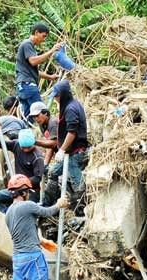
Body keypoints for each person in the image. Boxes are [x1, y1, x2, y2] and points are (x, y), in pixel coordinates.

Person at [0, 175, 69, 280]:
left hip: (18, 257)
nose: (29, 194)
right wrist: (59, 204)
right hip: (32, 256)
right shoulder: (27, 205)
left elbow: (26, 227)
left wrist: (40, 240)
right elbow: (47, 212)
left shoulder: (9, 212)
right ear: (23, 192)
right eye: (28, 192)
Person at [47, 80, 90, 213]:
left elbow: (72, 132)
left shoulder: (71, 108)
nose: (55, 98)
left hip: (75, 152)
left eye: (57, 96)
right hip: (69, 152)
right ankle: (52, 206)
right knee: (53, 173)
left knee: (78, 184)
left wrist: (62, 149)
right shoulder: (68, 105)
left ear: (63, 94)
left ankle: (82, 208)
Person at [0, 129, 45, 213]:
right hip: (15, 188)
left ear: (33, 143)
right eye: (23, 148)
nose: (25, 150)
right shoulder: (16, 144)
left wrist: (22, 182)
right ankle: (8, 214)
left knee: (26, 211)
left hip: (30, 191)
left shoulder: (38, 157)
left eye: (28, 148)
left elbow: (37, 178)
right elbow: (1, 144)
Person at [15, 22, 62, 117]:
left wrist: (50, 77)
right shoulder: (27, 44)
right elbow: (33, 61)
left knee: (30, 117)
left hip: (22, 86)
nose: (44, 40)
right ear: (36, 33)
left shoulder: (28, 46)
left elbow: (33, 70)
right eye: (43, 36)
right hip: (28, 86)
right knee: (42, 113)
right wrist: (52, 51)